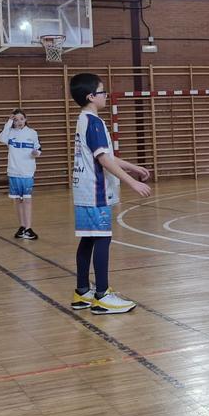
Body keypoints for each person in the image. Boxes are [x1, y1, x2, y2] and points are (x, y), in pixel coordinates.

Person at [68, 73, 152, 315]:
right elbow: (103, 159)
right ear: (91, 96)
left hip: (84, 190)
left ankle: (82, 291)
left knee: (88, 238)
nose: (106, 95)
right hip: (95, 191)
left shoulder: (83, 119)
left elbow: (104, 155)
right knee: (102, 238)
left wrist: (133, 167)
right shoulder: (94, 122)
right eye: (103, 91)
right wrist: (131, 183)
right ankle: (102, 295)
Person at [0, 109, 41, 240]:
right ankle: (22, 227)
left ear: (26, 119)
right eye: (16, 119)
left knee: (27, 200)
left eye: (21, 119)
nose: (19, 122)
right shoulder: (9, 133)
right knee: (18, 200)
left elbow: (38, 148)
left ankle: (28, 228)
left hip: (27, 172)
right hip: (13, 171)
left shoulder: (32, 133)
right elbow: (1, 138)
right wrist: (9, 121)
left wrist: (36, 153)